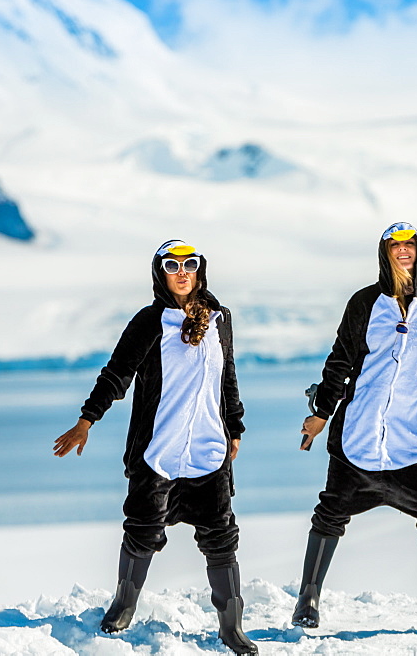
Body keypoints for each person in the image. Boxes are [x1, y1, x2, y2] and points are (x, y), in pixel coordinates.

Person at [53, 240, 258, 655]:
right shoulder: (148, 322)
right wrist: (85, 420)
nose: (182, 271)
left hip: (208, 451)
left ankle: (231, 625)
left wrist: (234, 426)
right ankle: (124, 605)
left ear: (201, 271)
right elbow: (116, 374)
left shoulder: (220, 319)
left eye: (190, 264)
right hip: (158, 452)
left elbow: (227, 375)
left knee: (221, 537)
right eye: (172, 265)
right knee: (142, 530)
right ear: (160, 273)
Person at [292, 221, 417, 637]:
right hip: (357, 434)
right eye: (395, 246)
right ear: (384, 253)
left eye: (410, 246)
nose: (403, 252)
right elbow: (340, 362)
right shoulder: (364, 303)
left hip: (412, 438)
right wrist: (321, 414)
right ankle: (308, 596)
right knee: (330, 513)